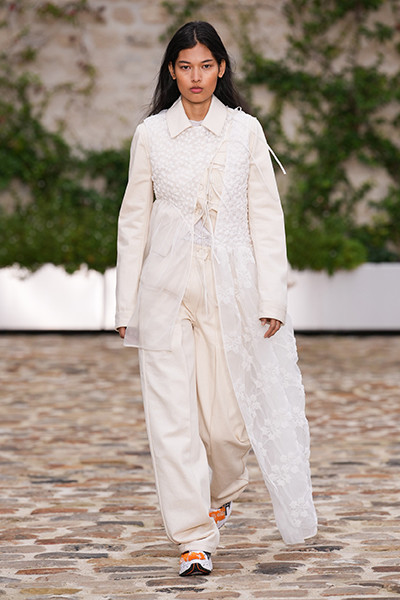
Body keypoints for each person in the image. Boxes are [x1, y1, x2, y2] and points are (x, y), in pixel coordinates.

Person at [115, 20, 317, 577]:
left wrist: (272, 297)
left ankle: (223, 490)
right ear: (172, 71)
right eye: (185, 66)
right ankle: (193, 538)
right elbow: (133, 221)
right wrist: (125, 306)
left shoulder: (245, 131)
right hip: (165, 291)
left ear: (221, 68)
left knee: (227, 426)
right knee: (172, 421)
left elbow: (266, 218)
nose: (196, 76)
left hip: (231, 289)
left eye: (206, 65)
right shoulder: (151, 135)